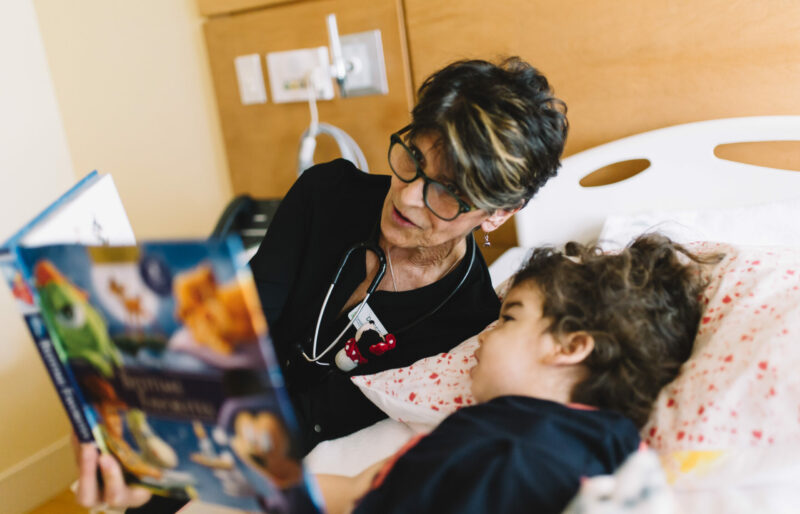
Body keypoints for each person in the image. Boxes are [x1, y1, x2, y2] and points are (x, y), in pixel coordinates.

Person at [72, 56, 568, 512]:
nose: (411, 197)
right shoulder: (325, 194)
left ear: (499, 213)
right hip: (221, 418)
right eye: (413, 159)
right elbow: (241, 328)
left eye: (449, 193)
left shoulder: (467, 323)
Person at [316, 234, 721, 514]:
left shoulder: (515, 454)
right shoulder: (565, 443)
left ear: (570, 346)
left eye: (508, 319)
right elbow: (356, 493)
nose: (482, 340)